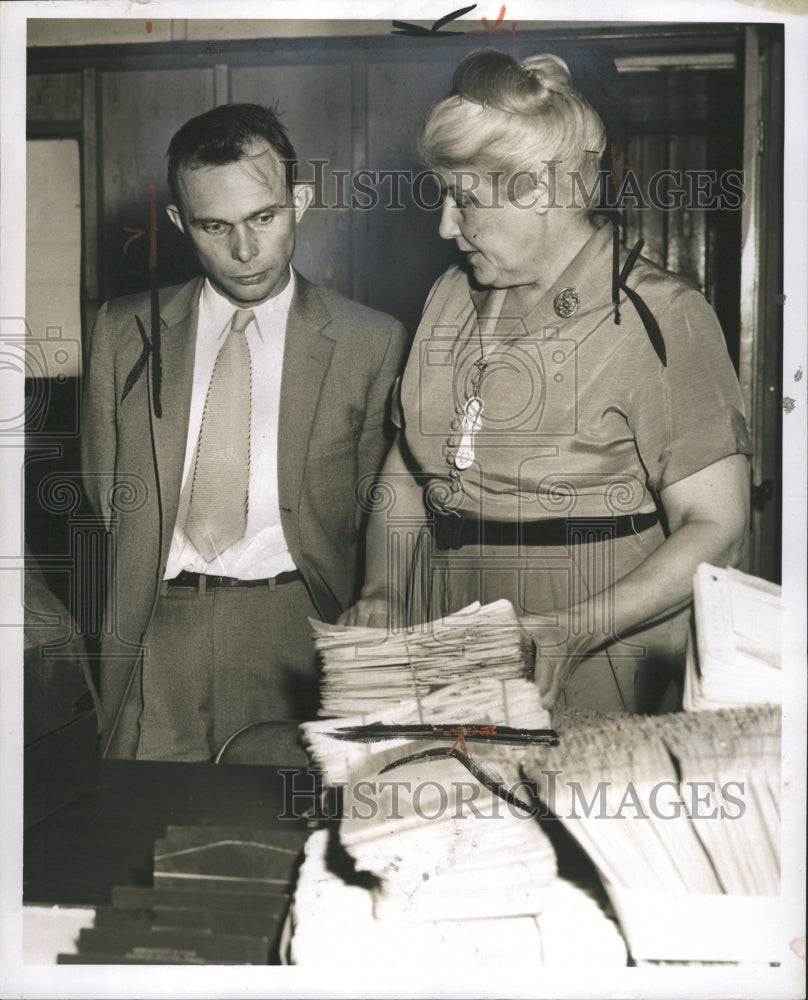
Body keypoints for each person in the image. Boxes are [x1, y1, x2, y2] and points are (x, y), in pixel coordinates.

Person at [340, 50, 752, 715]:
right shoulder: (450, 294)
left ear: (538, 191)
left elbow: (718, 525)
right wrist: (386, 587)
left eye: (463, 200)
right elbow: (409, 464)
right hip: (450, 640)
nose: (446, 226)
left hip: (595, 657)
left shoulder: (660, 314)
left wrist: (578, 627)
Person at [82, 103, 407, 760]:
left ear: (300, 202)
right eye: (215, 225)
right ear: (180, 224)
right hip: (154, 631)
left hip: (298, 630)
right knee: (136, 834)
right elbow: (102, 493)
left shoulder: (370, 341)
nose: (245, 249)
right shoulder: (121, 331)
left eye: (264, 217)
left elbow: (385, 510)